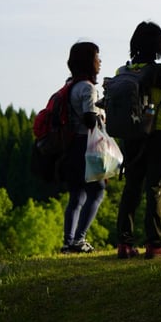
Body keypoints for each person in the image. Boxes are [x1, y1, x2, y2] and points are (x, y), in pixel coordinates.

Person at [115, 21, 161, 259]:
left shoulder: (121, 72)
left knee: (131, 188)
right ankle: (154, 244)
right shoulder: (160, 72)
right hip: (158, 134)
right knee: (155, 188)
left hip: (132, 135)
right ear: (158, 46)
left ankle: (124, 243)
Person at [59, 41, 106, 253]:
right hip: (84, 146)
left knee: (76, 196)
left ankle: (68, 242)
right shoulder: (87, 87)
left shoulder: (70, 85)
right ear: (89, 61)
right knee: (97, 191)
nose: (100, 62)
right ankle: (79, 239)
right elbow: (89, 119)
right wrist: (103, 111)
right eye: (97, 57)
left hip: (69, 147)